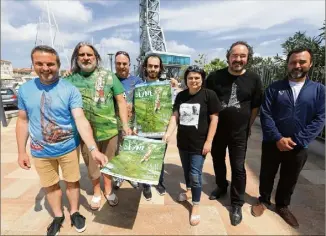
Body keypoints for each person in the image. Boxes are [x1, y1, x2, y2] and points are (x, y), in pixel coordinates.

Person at [16, 45, 108, 236]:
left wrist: (93, 149)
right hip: (40, 151)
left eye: (50, 64)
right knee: (50, 185)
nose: (45, 68)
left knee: (73, 182)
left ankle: (74, 212)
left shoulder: (69, 89)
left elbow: (80, 120)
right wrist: (21, 151)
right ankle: (58, 216)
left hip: (68, 148)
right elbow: (22, 120)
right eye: (39, 63)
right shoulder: (25, 90)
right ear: (33, 64)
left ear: (58, 65)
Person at [251, 48, 325, 228]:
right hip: (272, 143)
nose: (297, 65)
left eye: (302, 62)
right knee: (267, 173)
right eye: (293, 62)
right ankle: (264, 200)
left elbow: (320, 118)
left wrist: (298, 140)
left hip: (299, 146)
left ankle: (283, 205)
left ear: (310, 64)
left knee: (289, 177)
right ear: (288, 64)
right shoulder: (274, 88)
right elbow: (266, 114)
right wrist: (278, 137)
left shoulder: (319, 90)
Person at [65, 42, 131, 211]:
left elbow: (121, 101)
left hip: (109, 130)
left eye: (89, 54)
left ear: (96, 57)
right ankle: (96, 191)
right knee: (91, 163)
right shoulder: (69, 79)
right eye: (82, 55)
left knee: (109, 162)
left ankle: (108, 190)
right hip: (85, 133)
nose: (86, 58)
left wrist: (125, 124)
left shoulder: (109, 76)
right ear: (76, 57)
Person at [206, 41, 263, 226]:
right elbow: (206, 101)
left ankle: (237, 203)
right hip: (218, 131)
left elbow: (255, 106)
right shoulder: (215, 77)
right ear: (228, 56)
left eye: (242, 56)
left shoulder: (254, 79)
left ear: (247, 58)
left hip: (239, 133)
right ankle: (222, 186)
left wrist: (248, 125)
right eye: (234, 55)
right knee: (217, 160)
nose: (238, 59)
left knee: (238, 167)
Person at [163, 65, 220, 226]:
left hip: (200, 144)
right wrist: (168, 133)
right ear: (186, 80)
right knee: (187, 170)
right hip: (183, 142)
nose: (193, 80)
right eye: (190, 78)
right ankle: (188, 190)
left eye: (197, 77)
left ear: (202, 79)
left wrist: (209, 141)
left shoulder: (209, 95)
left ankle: (195, 205)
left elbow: (214, 119)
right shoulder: (181, 96)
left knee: (195, 174)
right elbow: (175, 116)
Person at [138, 53, 181, 201]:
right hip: (143, 131)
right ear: (145, 67)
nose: (153, 69)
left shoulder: (167, 87)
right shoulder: (139, 87)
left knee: (159, 158)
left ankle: (159, 182)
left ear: (160, 68)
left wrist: (177, 87)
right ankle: (146, 185)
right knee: (145, 158)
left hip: (161, 131)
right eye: (150, 66)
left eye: (156, 66)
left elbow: (179, 103)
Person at [113, 50, 143, 189]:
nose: (121, 66)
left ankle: (131, 175)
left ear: (129, 64)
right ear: (115, 64)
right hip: (113, 125)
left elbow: (143, 102)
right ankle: (118, 175)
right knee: (117, 152)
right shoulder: (110, 79)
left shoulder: (136, 81)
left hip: (132, 124)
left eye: (124, 63)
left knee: (131, 150)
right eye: (118, 63)